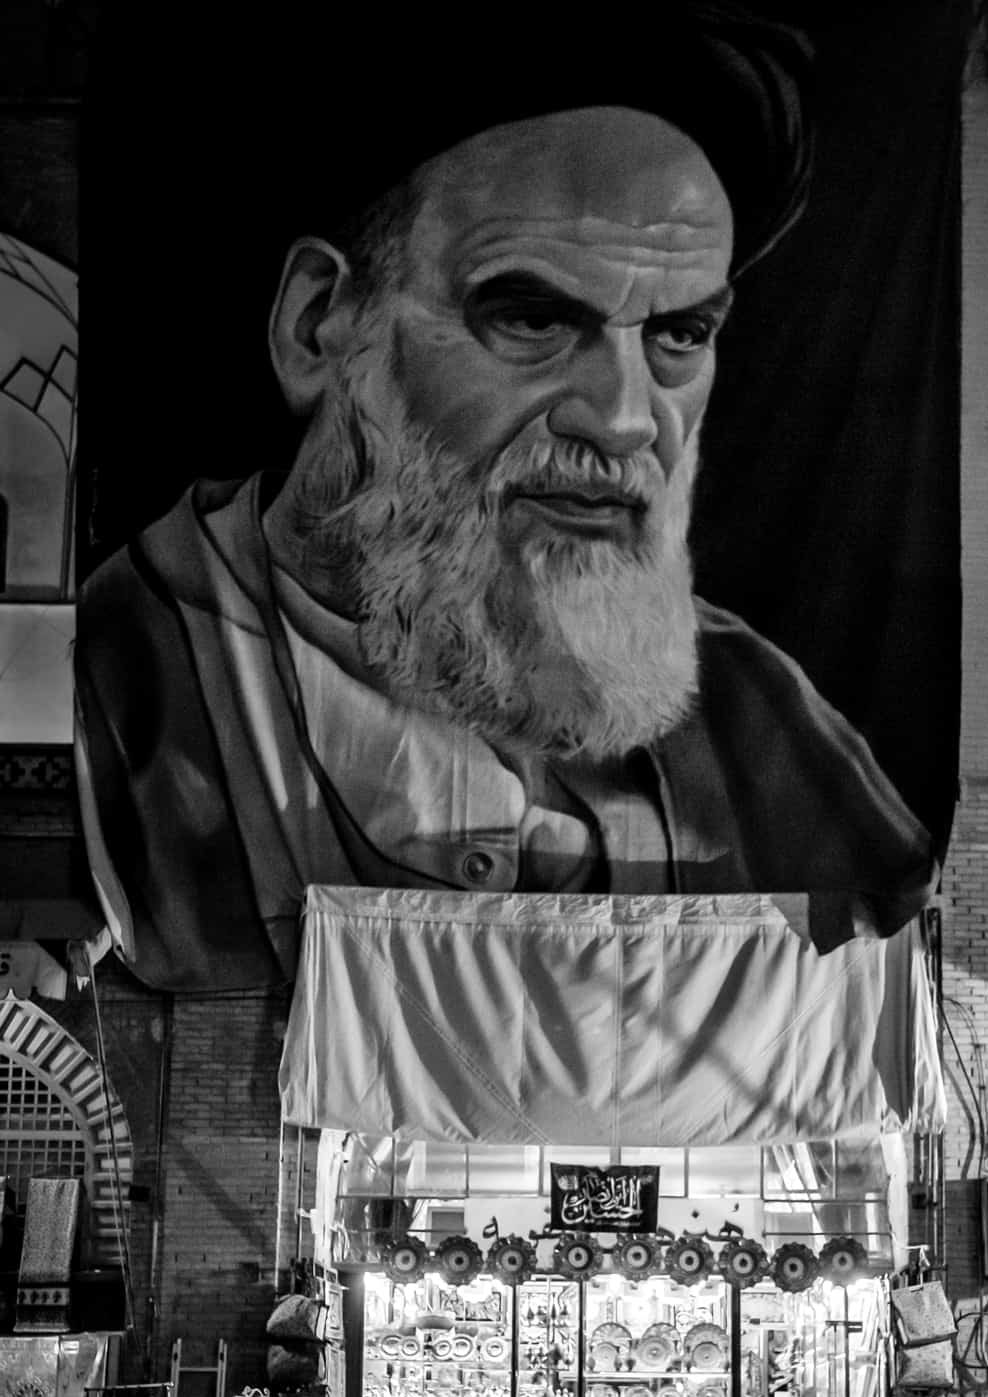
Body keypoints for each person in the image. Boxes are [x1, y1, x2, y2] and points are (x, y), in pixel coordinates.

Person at [73, 8, 937, 994]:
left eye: (679, 336)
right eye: (532, 318)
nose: (623, 419)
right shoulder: (120, 689)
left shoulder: (757, 718)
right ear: (320, 324)